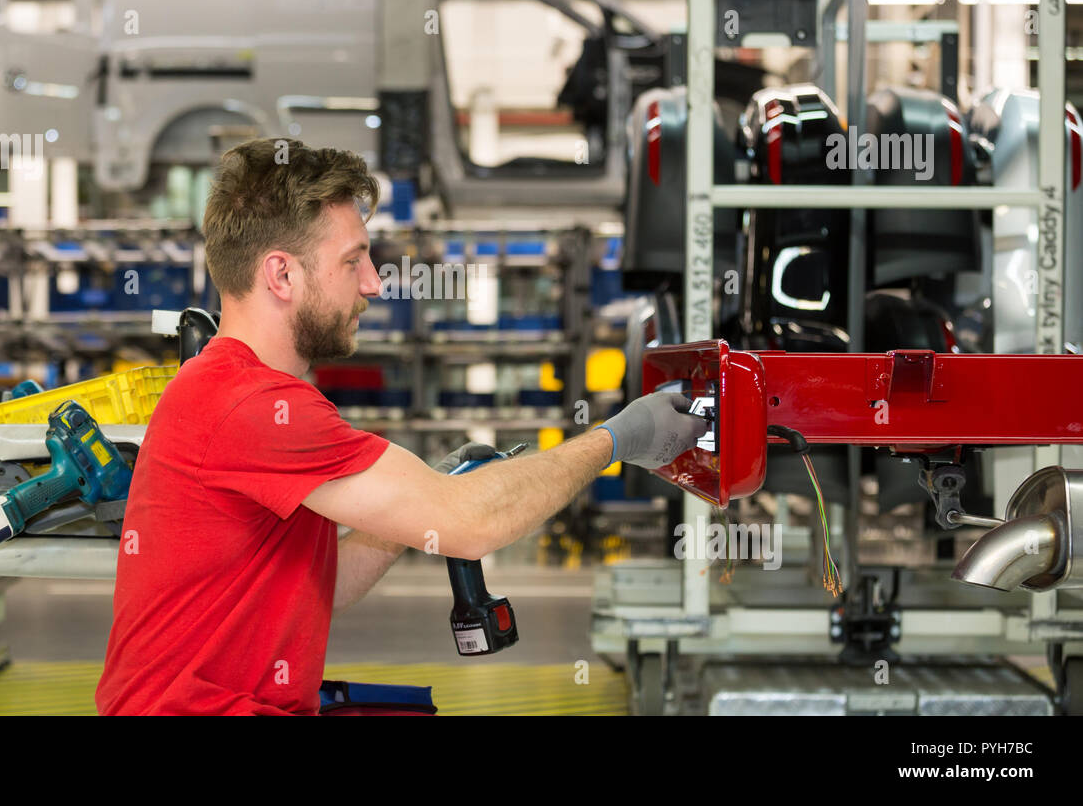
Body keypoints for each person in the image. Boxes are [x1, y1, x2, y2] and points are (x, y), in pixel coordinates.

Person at [95, 138, 705, 715]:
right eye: (353, 261)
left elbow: (320, 587)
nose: (373, 283)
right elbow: (472, 526)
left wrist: (424, 501)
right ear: (282, 275)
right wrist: (618, 439)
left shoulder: (236, 388)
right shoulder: (251, 404)